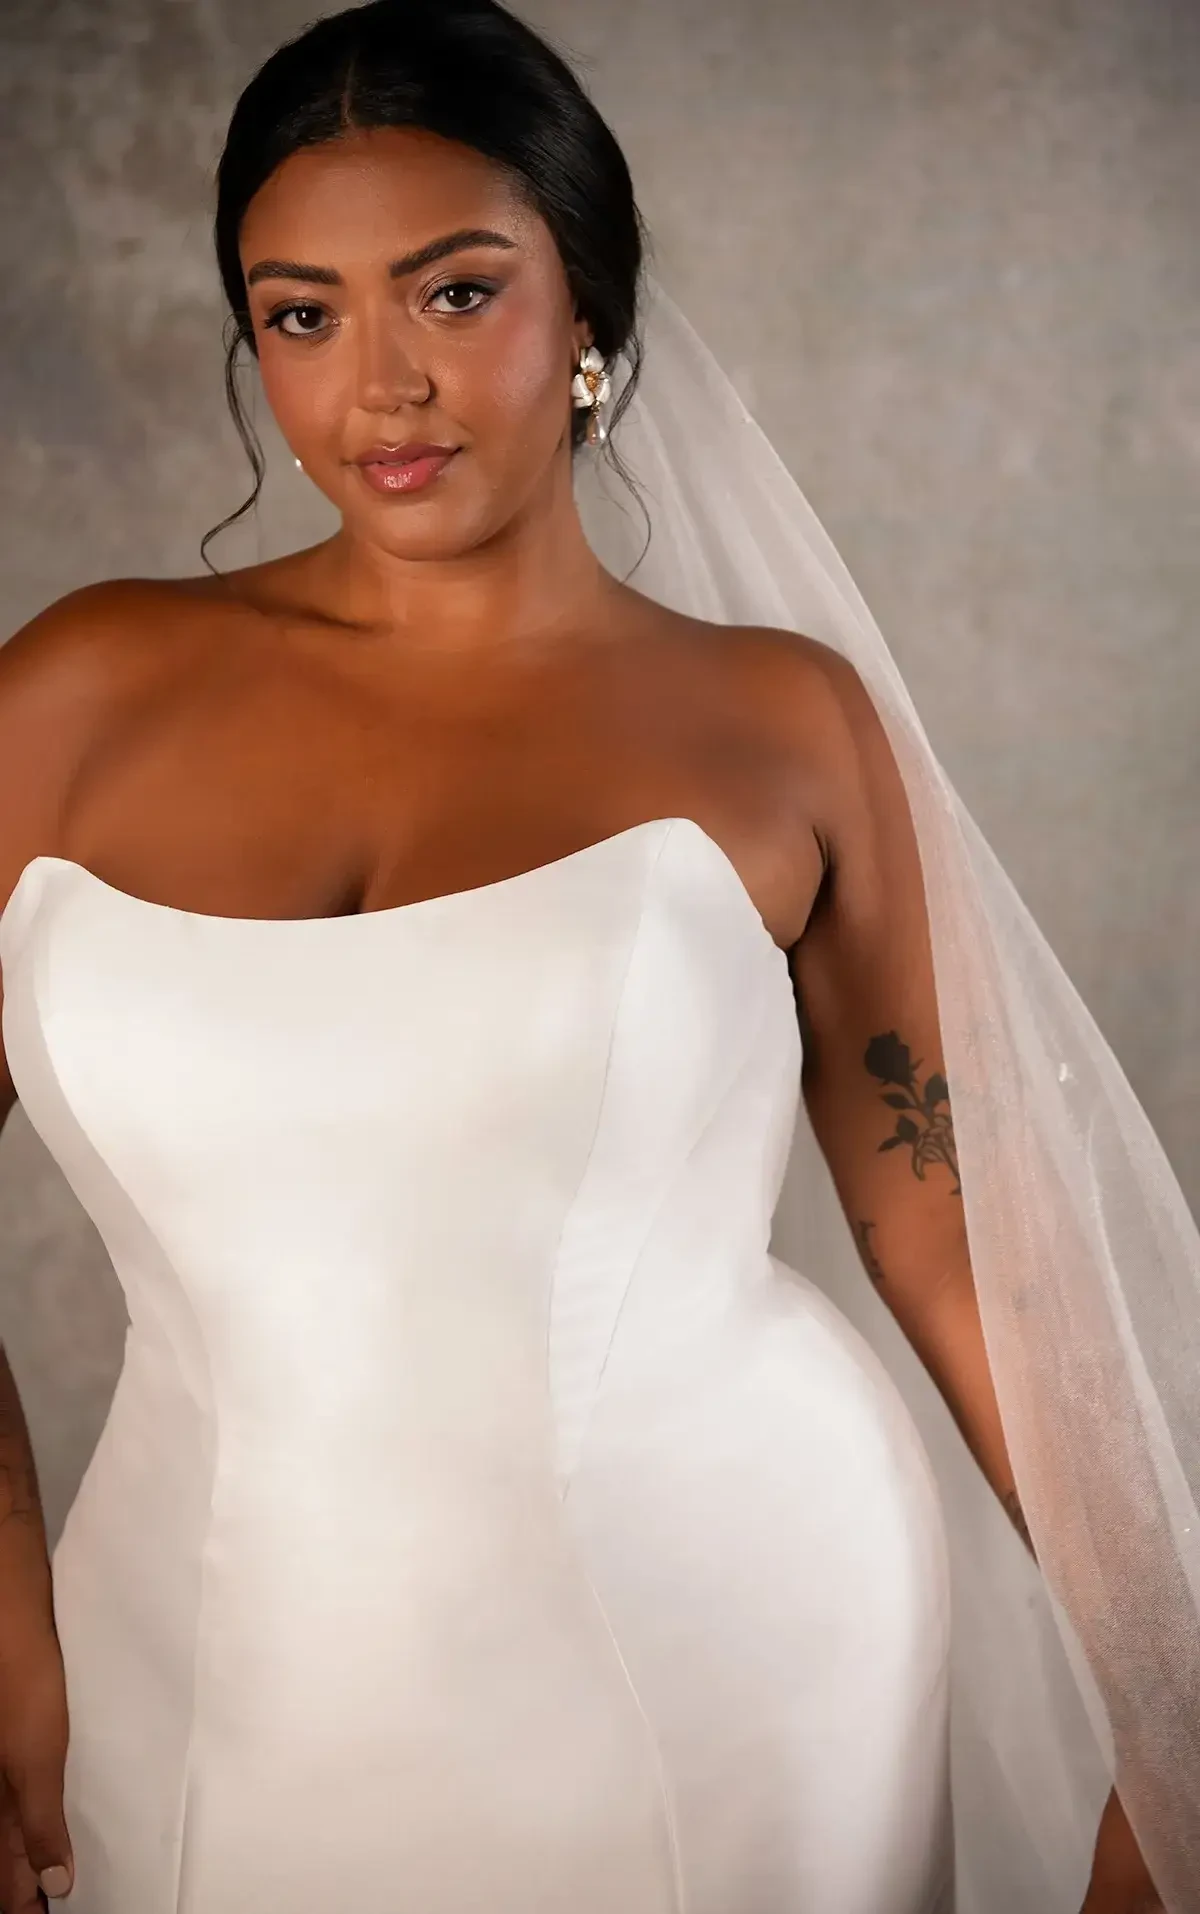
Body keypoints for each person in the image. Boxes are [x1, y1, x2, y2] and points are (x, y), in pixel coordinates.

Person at [0, 2, 1192, 1910]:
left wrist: (1170, 1691)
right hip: (183, 1635)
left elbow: (955, 1230)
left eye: (453, 294)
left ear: (590, 318)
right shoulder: (67, 696)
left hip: (731, 1639)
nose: (380, 384)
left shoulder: (780, 727)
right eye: (302, 315)